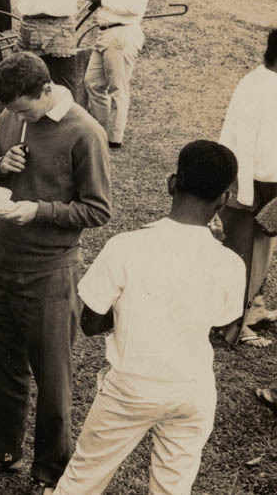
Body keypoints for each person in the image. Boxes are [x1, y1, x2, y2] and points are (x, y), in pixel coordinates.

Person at [0, 52, 112, 495]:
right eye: (12, 111)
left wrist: (38, 210)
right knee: (4, 363)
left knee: (52, 377)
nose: (18, 118)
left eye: (25, 110)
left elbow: (98, 209)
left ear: (46, 90)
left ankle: (51, 471)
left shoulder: (85, 132)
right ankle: (2, 450)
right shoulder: (11, 115)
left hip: (48, 273)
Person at [53, 141, 244, 495]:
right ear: (224, 199)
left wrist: (131, 309)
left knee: (83, 479)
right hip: (192, 390)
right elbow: (223, 321)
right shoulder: (230, 262)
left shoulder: (126, 245)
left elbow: (90, 323)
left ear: (172, 183)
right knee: (173, 487)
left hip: (131, 387)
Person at [217, 28, 277, 347]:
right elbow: (243, 142)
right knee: (242, 254)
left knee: (263, 251)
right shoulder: (256, 85)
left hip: (267, 183)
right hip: (248, 183)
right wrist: (245, 195)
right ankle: (232, 325)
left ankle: (254, 309)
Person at [83, 0, 151, 149]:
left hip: (121, 33)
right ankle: (101, 130)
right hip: (107, 33)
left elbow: (133, 7)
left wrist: (102, 0)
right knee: (92, 82)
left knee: (117, 89)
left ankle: (114, 138)